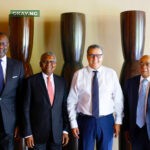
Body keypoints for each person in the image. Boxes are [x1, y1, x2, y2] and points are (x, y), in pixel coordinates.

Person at [67, 44, 124, 150]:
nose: (95, 58)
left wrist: (118, 121)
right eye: (92, 55)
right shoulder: (78, 75)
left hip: (106, 121)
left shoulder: (111, 74)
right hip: (85, 121)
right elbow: (71, 101)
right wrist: (73, 123)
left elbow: (118, 100)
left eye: (98, 55)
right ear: (87, 57)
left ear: (102, 57)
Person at [22, 52, 69, 150]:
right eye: (45, 62)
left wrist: (65, 130)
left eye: (52, 61)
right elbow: (25, 109)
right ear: (40, 64)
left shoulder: (62, 82)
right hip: (36, 135)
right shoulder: (31, 82)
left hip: (57, 134)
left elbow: (65, 107)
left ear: (55, 64)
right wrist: (28, 133)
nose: (49, 64)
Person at [0, 32, 24, 150]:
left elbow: (21, 97)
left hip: (9, 121)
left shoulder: (18, 66)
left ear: (8, 45)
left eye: (3, 43)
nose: (0, 46)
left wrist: (19, 122)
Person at [123, 55, 150, 150]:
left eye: (147, 64)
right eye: (141, 64)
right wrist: (126, 129)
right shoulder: (129, 83)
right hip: (135, 129)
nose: (144, 67)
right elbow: (126, 108)